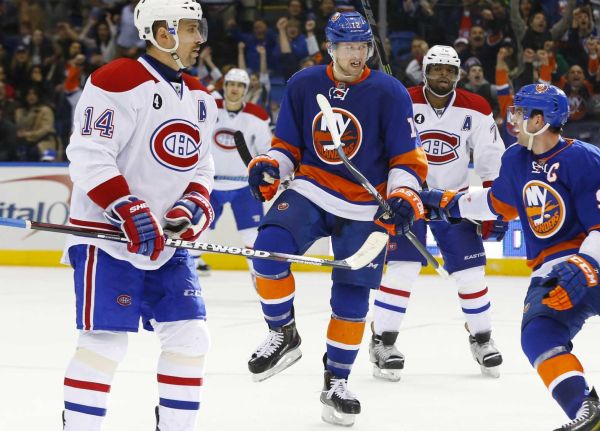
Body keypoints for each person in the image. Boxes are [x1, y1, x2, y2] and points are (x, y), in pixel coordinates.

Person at [420, 84, 600, 430]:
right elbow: (498, 203)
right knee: (538, 336)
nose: (512, 119)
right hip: (553, 267)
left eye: (520, 112)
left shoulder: (585, 159)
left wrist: (585, 262)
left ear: (541, 120)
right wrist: (446, 202)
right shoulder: (515, 159)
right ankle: (589, 415)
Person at [245, 11, 427, 427]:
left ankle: (337, 381)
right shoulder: (304, 83)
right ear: (331, 47)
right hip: (311, 188)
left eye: (363, 46)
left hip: (366, 203)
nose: (357, 54)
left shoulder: (390, 91)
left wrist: (403, 195)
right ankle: (283, 333)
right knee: (267, 251)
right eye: (348, 46)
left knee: (351, 298)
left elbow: (407, 158)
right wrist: (269, 166)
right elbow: (287, 146)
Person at [61, 1, 216, 430]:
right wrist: (128, 210)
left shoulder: (202, 97)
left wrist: (191, 207)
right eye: (190, 28)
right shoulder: (117, 80)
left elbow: (202, 167)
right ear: (163, 33)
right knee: (105, 342)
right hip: (106, 239)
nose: (199, 38)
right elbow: (90, 155)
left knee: (190, 335)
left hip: (166, 245)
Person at [369, 45, 507, 382]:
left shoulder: (475, 107)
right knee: (402, 269)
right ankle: (382, 342)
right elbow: (381, 147)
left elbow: (491, 158)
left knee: (471, 273)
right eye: (436, 69)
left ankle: (482, 339)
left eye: (449, 70)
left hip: (453, 201)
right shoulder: (403, 100)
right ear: (425, 72)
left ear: (458, 74)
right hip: (407, 199)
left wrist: (495, 203)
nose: (442, 75)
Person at [191, 68, 271, 277]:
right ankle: (192, 266)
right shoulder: (208, 108)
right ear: (224, 86)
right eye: (231, 84)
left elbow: (265, 149)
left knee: (252, 236)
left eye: (239, 85)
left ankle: (259, 276)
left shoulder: (257, 116)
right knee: (198, 230)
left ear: (246, 89)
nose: (235, 89)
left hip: (244, 185)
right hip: (210, 183)